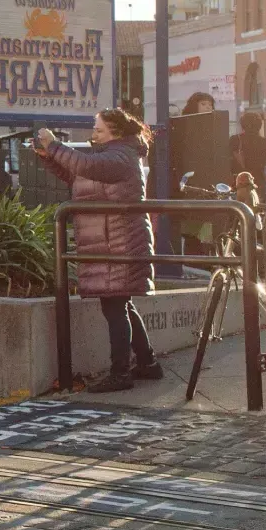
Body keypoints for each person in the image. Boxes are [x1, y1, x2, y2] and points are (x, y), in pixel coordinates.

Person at [31, 108, 162, 392]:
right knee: (120, 303)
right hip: (112, 239)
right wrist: (49, 157)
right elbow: (79, 175)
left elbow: (89, 168)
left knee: (115, 306)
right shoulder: (112, 154)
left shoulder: (121, 156)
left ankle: (121, 372)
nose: (94, 134)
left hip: (119, 240)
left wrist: (54, 145)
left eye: (99, 130)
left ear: (115, 132)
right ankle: (148, 363)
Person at [231, 111, 266, 182]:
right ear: (259, 126)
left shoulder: (235, 139)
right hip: (258, 181)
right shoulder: (265, 142)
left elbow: (229, 161)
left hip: (240, 181)